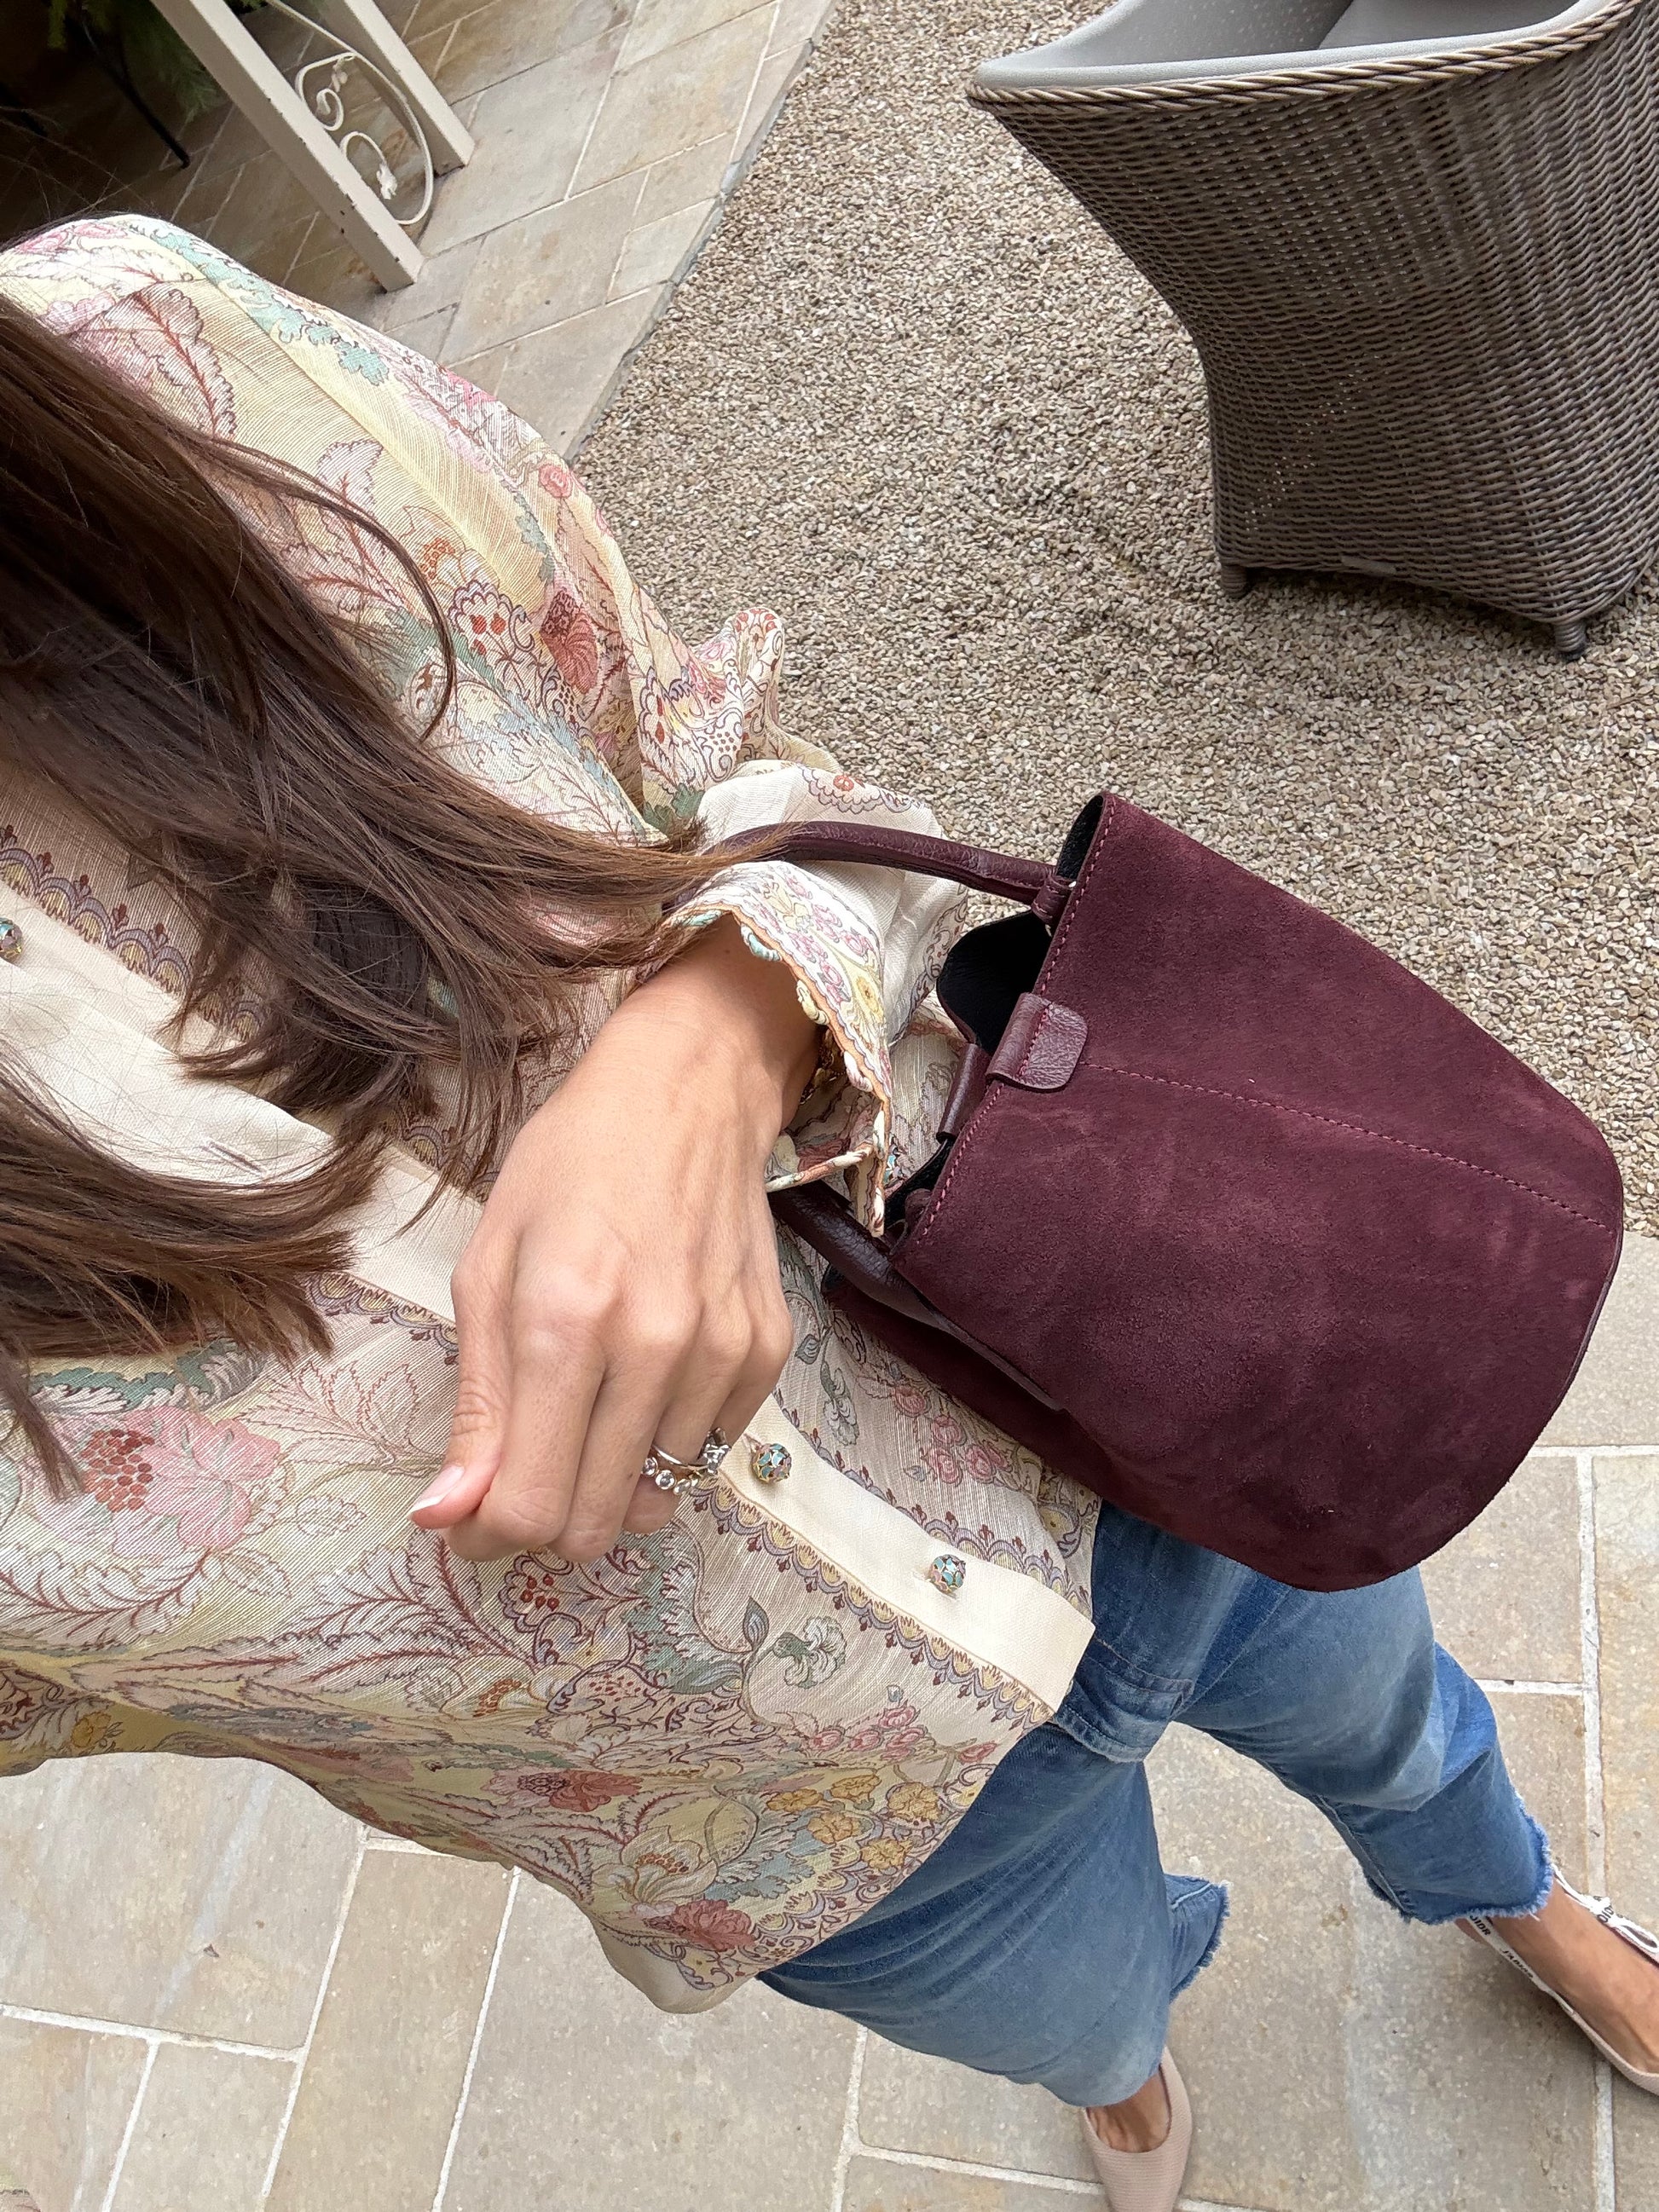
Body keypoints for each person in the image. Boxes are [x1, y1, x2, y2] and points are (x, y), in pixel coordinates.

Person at [0, 215, 1652, 2211]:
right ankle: (1126, 2067)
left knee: (1396, 1723)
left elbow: (730, 761)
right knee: (1078, 2008)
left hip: (1086, 1370)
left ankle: (1508, 1895)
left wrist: (714, 1027)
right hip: (786, 1817)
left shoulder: (143, 367)